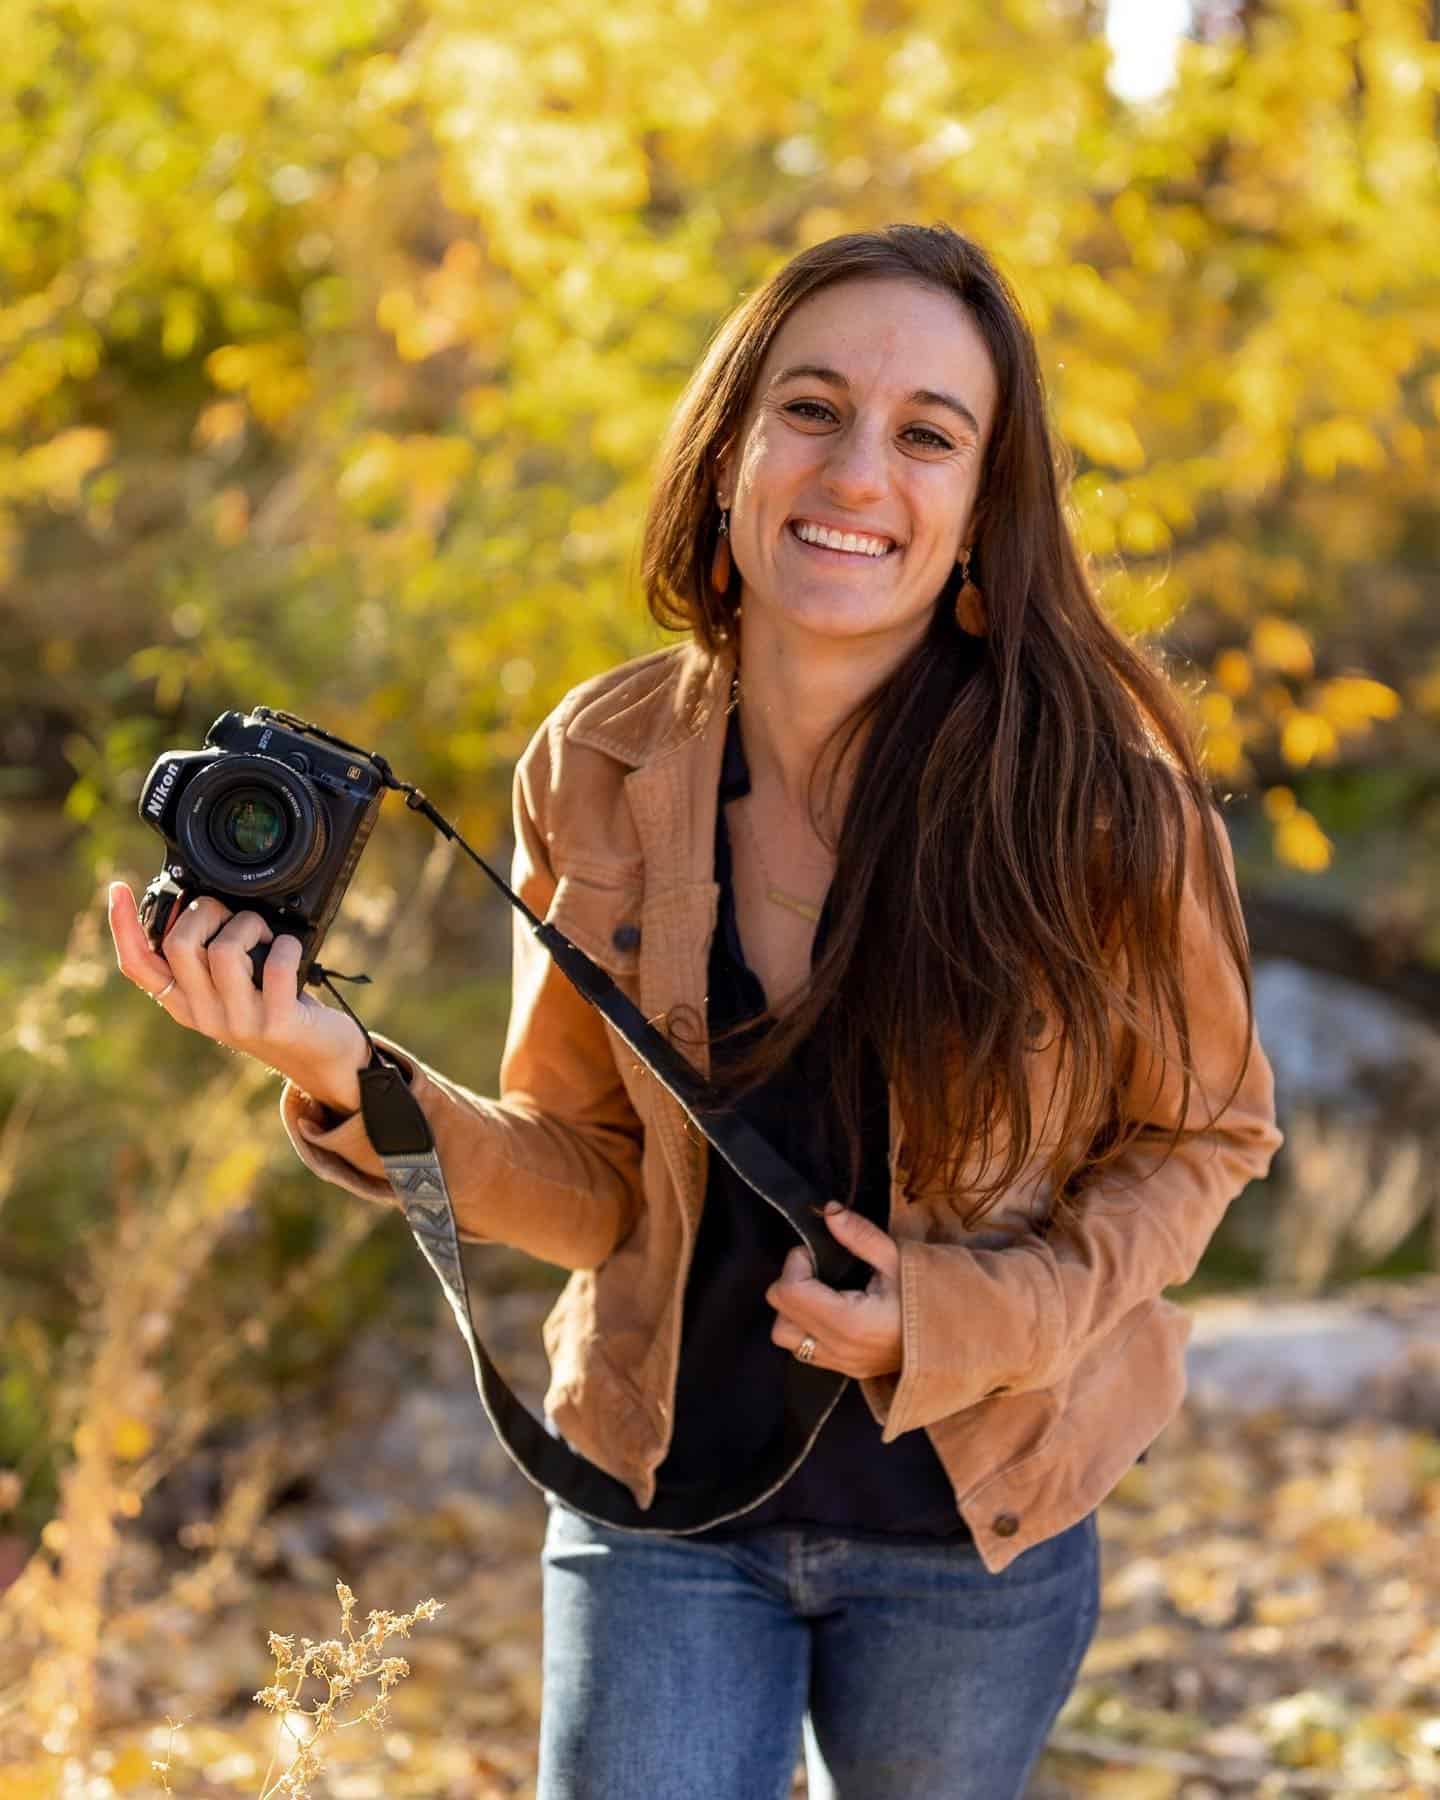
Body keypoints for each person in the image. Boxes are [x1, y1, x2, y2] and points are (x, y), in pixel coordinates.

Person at [109, 223, 1283, 1800]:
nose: (859, 470)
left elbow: (1203, 1135)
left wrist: (959, 1317)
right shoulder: (598, 758)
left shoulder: (1100, 805)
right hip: (658, 1502)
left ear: (981, 512)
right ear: (730, 448)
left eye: (928, 433)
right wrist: (339, 1069)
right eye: (811, 408)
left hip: (978, 1510)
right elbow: (590, 1178)